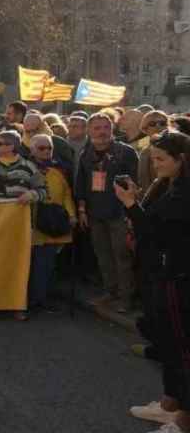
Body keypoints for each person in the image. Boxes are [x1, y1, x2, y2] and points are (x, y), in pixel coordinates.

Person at [117, 131, 190, 432]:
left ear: (181, 160)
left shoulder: (184, 192)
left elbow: (155, 233)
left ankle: (183, 421)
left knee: (182, 350)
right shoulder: (169, 185)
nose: (155, 164)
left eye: (161, 159)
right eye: (153, 158)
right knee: (170, 346)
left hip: (180, 277)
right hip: (166, 274)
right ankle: (169, 405)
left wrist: (131, 205)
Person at [0, 129, 47, 320]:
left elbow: (43, 190)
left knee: (20, 265)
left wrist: (31, 195)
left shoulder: (28, 167)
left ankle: (18, 305)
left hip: (20, 225)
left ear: (11, 146)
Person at [76, 112, 140, 313]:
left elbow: (136, 184)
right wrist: (82, 210)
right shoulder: (85, 154)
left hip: (120, 213)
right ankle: (110, 292)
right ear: (89, 131)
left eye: (105, 127)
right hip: (95, 213)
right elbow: (81, 184)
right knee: (103, 255)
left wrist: (132, 214)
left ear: (112, 129)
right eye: (97, 128)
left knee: (122, 256)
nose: (102, 132)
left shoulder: (126, 152)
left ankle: (125, 298)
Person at [29, 134, 77, 313]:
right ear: (32, 150)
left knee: (47, 264)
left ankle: (42, 299)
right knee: (33, 265)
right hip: (31, 224)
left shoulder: (59, 169)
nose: (46, 151)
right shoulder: (25, 167)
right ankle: (30, 299)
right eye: (41, 148)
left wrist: (72, 215)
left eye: (49, 148)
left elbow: (66, 194)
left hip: (54, 222)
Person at [139, 111, 172, 190]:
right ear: (145, 129)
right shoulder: (144, 152)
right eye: (152, 124)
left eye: (162, 123)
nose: (158, 126)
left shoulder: (177, 149)